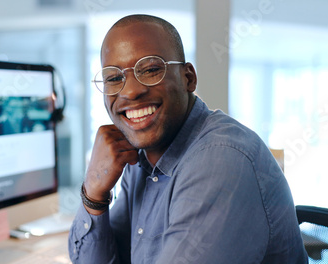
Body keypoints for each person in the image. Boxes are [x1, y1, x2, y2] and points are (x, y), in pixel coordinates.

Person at [68, 14, 308, 264]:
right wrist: (94, 192)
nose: (130, 91)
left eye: (150, 70)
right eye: (115, 78)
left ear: (188, 78)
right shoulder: (141, 157)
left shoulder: (221, 160)